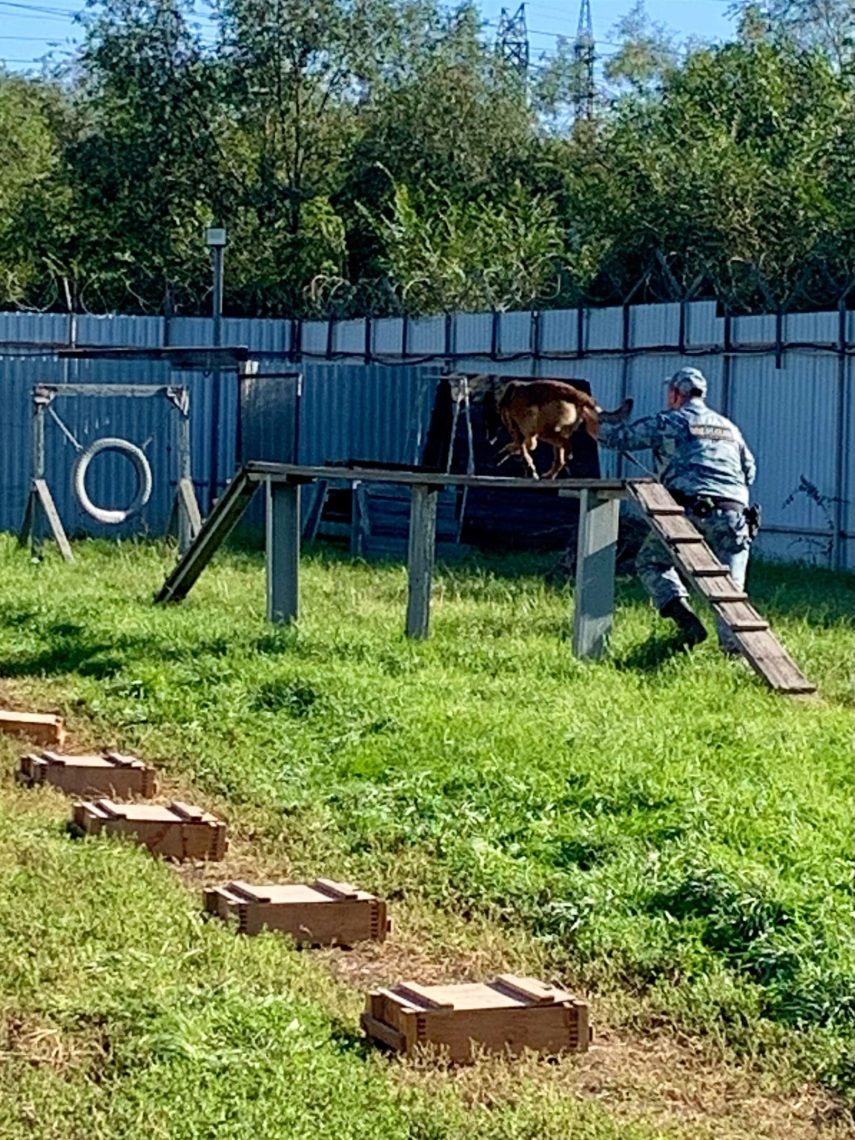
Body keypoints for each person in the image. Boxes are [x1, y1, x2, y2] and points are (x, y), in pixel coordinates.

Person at [597, 366, 757, 653]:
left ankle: (684, 617)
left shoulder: (669, 421)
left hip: (688, 512)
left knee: (651, 562)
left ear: (674, 393)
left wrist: (587, 421)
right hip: (735, 516)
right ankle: (735, 655)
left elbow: (617, 438)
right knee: (731, 590)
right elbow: (750, 470)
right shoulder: (729, 427)